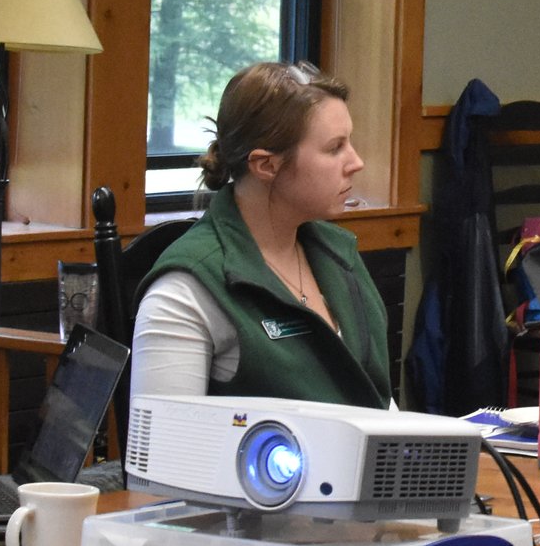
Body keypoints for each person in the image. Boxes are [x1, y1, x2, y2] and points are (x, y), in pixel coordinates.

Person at [134, 61, 392, 405]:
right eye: (334, 148)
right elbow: (161, 450)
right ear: (266, 165)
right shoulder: (184, 291)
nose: (356, 162)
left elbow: (377, 402)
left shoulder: (338, 254)